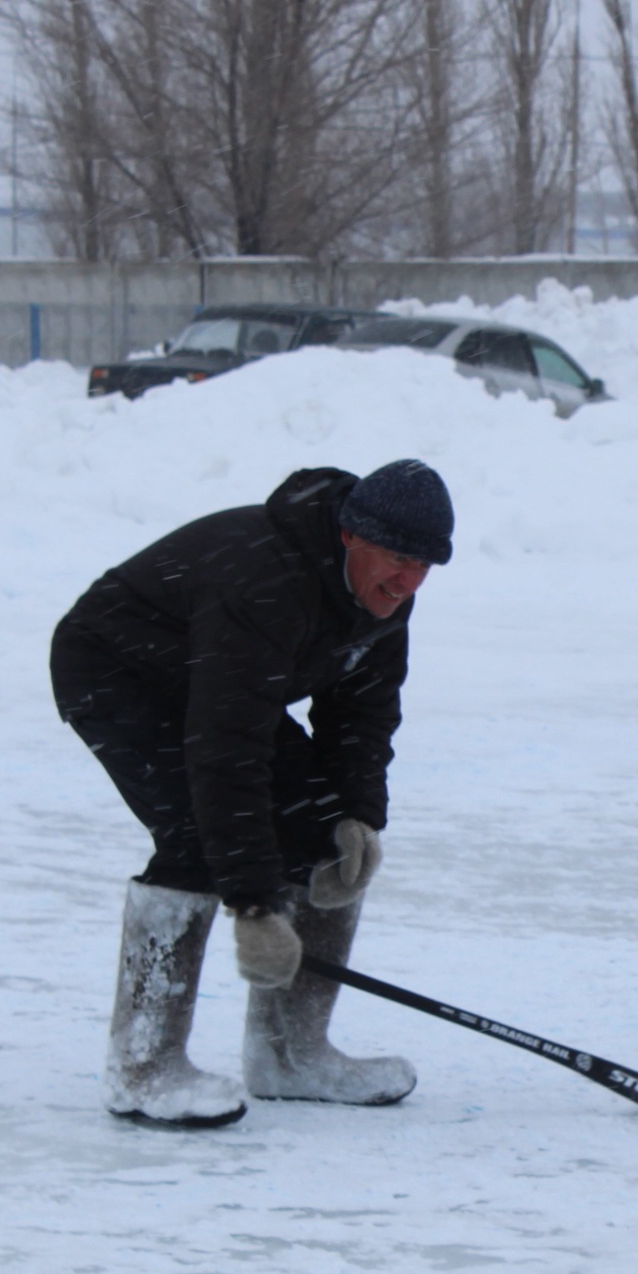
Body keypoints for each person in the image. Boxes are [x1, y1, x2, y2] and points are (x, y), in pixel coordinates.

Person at [50, 460, 452, 1128]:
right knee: (194, 844)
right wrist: (253, 900)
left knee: (322, 839)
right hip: (116, 670)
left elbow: (362, 715)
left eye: (425, 566)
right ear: (351, 535)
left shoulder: (385, 599)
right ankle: (143, 1065)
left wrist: (357, 816)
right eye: (397, 559)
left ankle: (291, 1056)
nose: (408, 582)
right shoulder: (268, 579)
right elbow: (227, 748)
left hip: (219, 688)